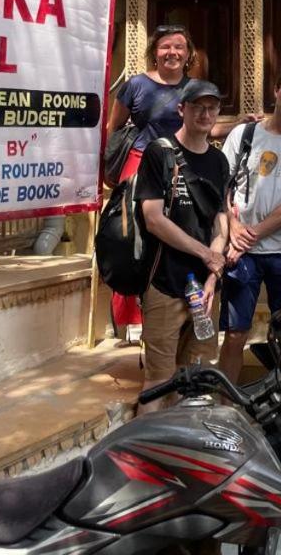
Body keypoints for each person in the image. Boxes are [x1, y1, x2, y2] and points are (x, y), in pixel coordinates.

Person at [218, 65, 281, 384]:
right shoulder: (243, 134)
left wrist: (246, 237)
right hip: (241, 254)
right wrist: (233, 228)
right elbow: (223, 188)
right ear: (276, 90)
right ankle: (224, 403)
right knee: (235, 333)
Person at [133, 80, 230, 413]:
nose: (205, 113)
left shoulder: (219, 162)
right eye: (197, 107)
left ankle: (182, 442)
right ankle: (146, 444)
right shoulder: (159, 153)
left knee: (196, 379)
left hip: (204, 292)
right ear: (181, 109)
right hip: (165, 283)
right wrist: (206, 254)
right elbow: (153, 219)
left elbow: (220, 220)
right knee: (158, 380)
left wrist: (213, 277)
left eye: (211, 107)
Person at [105, 24, 195, 339]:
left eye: (179, 47)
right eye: (165, 46)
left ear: (188, 54)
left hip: (179, 166)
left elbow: (204, 128)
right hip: (140, 163)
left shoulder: (194, 88)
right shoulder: (135, 85)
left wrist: (241, 124)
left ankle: (173, 312)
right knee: (131, 237)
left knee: (177, 236)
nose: (172, 52)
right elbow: (115, 127)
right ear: (154, 52)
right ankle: (131, 317)